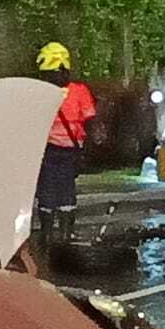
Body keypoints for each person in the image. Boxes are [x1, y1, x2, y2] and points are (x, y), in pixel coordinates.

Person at [34, 42, 97, 248]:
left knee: (47, 190)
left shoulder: (40, 93)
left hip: (47, 150)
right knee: (66, 190)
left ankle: (46, 234)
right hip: (69, 150)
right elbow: (90, 120)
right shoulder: (79, 91)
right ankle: (65, 233)